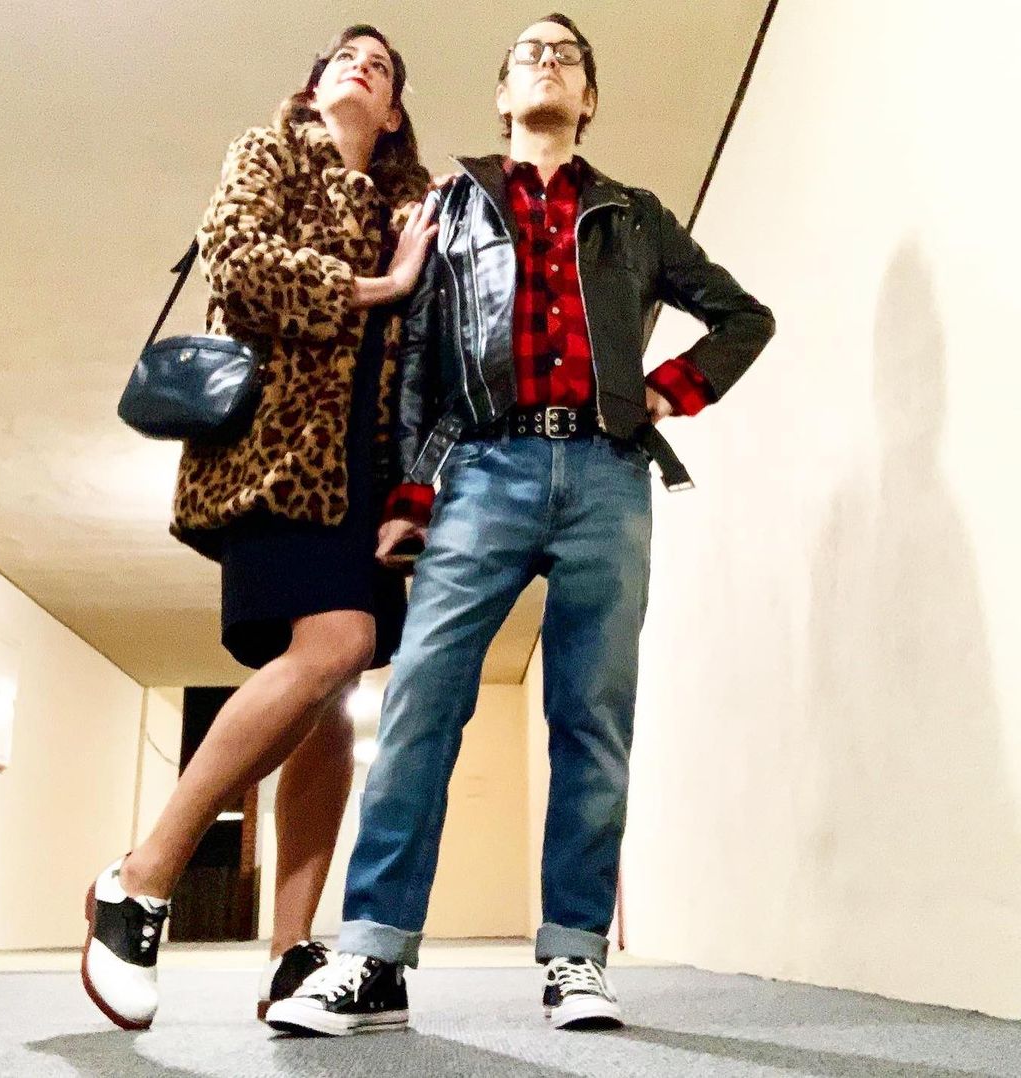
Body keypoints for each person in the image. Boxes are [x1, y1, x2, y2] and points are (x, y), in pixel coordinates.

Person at [266, 12, 776, 1037]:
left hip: (607, 475)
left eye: (566, 55)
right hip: (480, 472)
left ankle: (575, 955)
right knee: (420, 704)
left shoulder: (636, 215)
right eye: (529, 54)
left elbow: (743, 316)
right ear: (502, 94)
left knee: (593, 716)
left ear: (589, 99)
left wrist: (667, 390)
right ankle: (373, 957)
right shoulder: (450, 204)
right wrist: (411, 494)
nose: (548, 62)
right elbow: (418, 359)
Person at [80, 25, 437, 1031]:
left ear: (395, 112)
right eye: (345, 55)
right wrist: (380, 286)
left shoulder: (408, 211)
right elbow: (239, 267)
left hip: (369, 480)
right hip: (280, 460)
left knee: (334, 701)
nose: (362, 64)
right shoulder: (269, 151)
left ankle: (291, 955)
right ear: (315, 84)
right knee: (338, 644)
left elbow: (429, 349)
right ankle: (141, 879)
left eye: (382, 64)